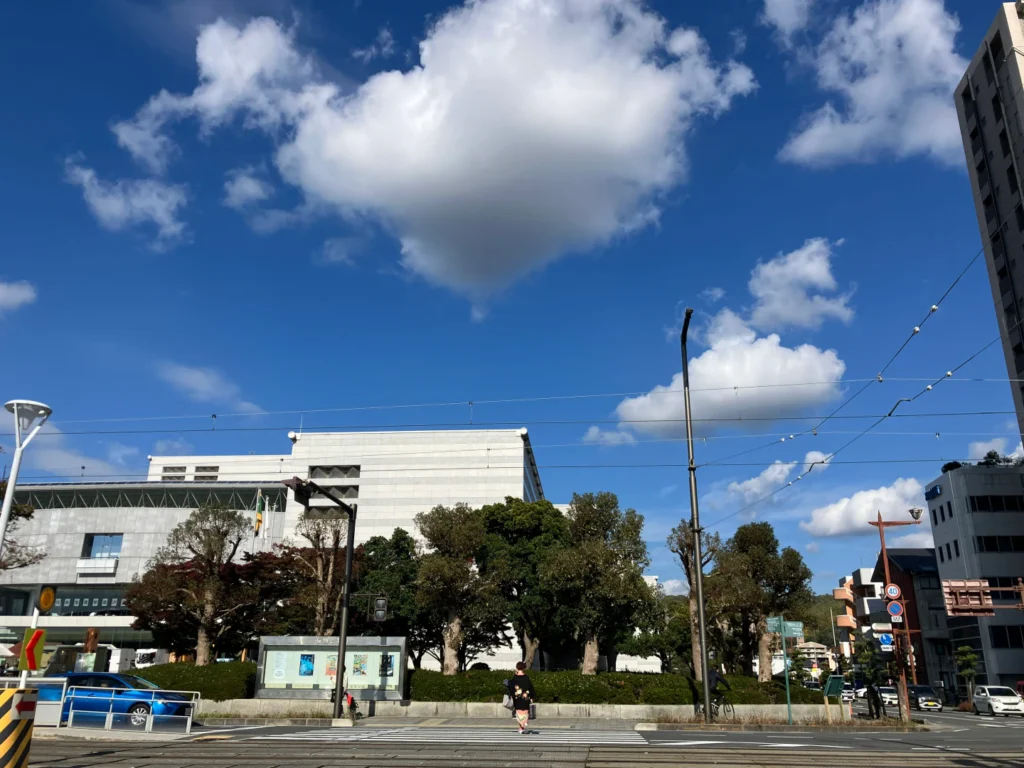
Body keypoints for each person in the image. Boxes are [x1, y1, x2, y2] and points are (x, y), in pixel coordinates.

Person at [510, 661, 536, 735]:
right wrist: (532, 696)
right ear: (524, 668)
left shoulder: (515, 678)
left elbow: (511, 688)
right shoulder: (526, 677)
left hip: (517, 698)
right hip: (525, 697)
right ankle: (523, 725)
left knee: (519, 713)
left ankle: (521, 727)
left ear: (517, 668)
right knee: (525, 712)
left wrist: (512, 695)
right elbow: (530, 687)